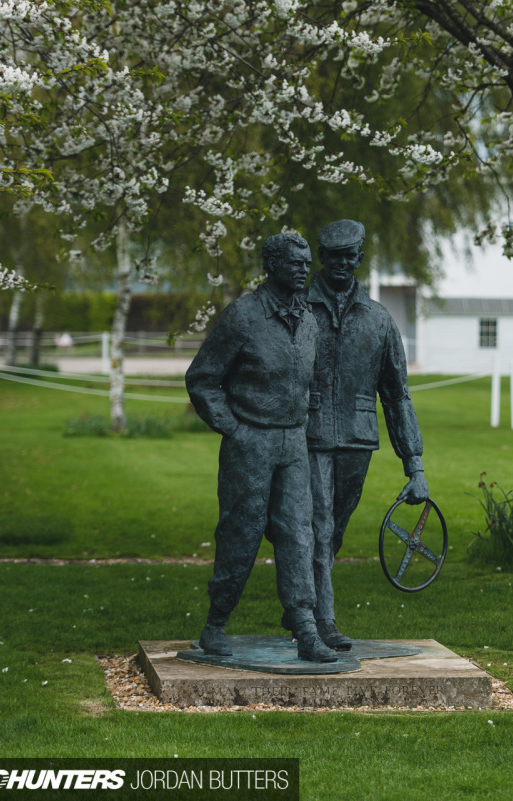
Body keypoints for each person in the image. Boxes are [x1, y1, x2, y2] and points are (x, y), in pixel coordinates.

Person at [185, 232, 337, 662]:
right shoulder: (244, 316)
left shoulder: (307, 318)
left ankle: (306, 627)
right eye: (296, 262)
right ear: (272, 265)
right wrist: (233, 428)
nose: (305, 269)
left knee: (298, 533)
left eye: (308, 262)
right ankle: (216, 623)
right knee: (241, 532)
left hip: (293, 442)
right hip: (250, 442)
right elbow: (201, 379)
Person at [286, 219, 429, 650]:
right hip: (308, 436)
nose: (342, 264)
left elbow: (398, 396)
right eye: (334, 257)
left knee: (334, 530)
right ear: (322, 259)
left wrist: (415, 464)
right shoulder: (297, 309)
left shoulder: (380, 321)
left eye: (350, 256)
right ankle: (322, 621)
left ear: (360, 259)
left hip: (357, 439)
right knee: (319, 523)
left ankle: (301, 604)